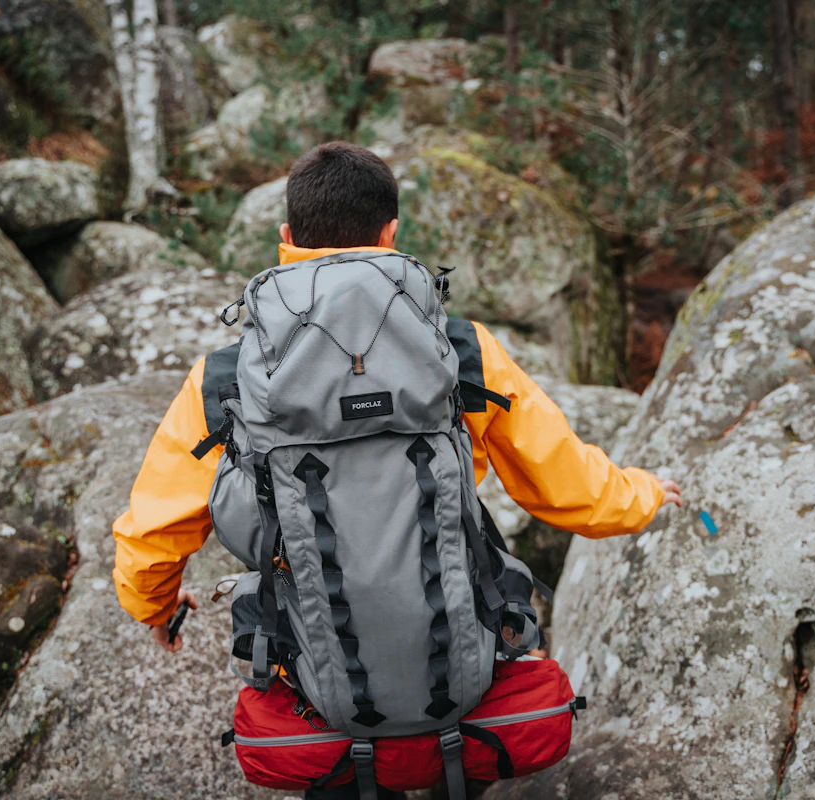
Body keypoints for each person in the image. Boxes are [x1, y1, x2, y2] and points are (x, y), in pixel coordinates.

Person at [112, 141, 682, 799]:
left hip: (316, 697)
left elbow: (151, 534)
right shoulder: (462, 350)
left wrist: (155, 608)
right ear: (391, 233)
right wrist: (641, 495)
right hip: (461, 678)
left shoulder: (224, 379)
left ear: (287, 238)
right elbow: (568, 486)